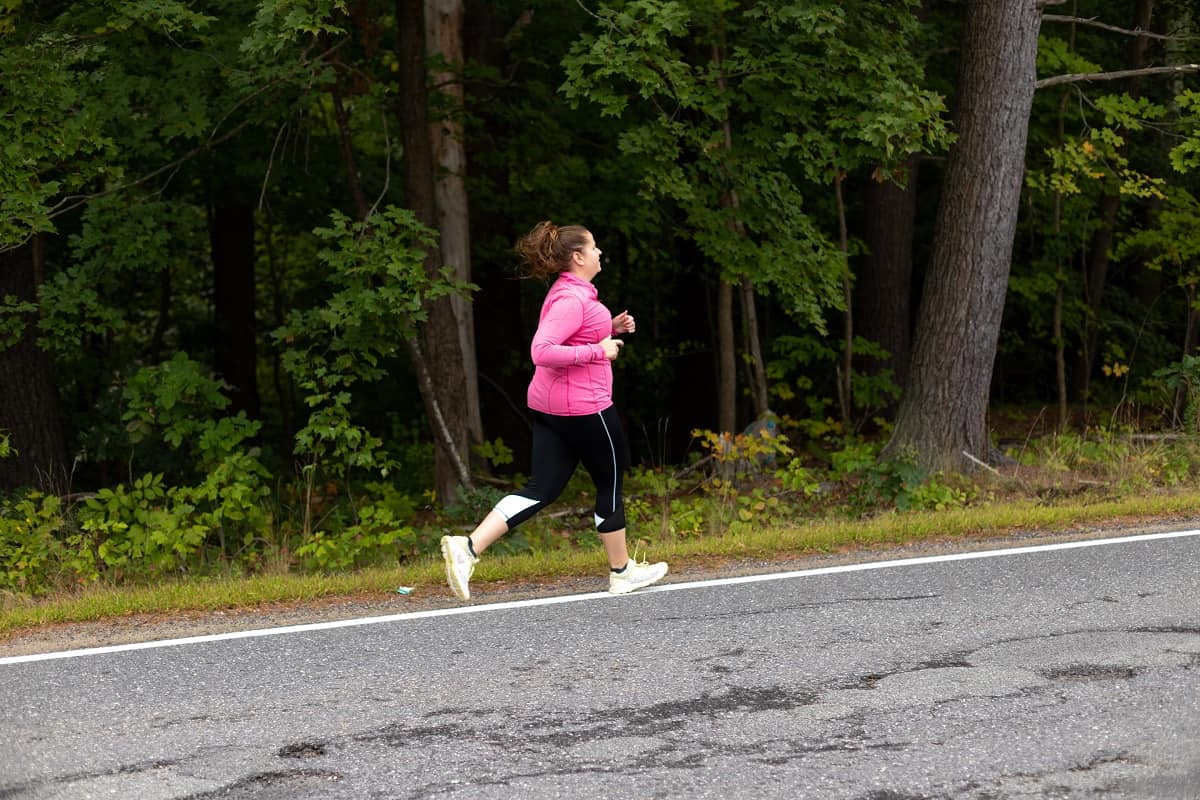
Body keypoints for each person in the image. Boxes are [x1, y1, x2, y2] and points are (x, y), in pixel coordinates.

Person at [440, 221, 668, 600]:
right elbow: (542, 351)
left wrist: (609, 327)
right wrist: (600, 350)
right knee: (610, 480)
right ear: (577, 257)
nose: (599, 253)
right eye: (593, 247)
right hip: (585, 408)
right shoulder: (571, 298)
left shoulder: (569, 293)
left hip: (551, 408)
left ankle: (467, 549)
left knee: (542, 487)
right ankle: (622, 571)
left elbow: (571, 333)